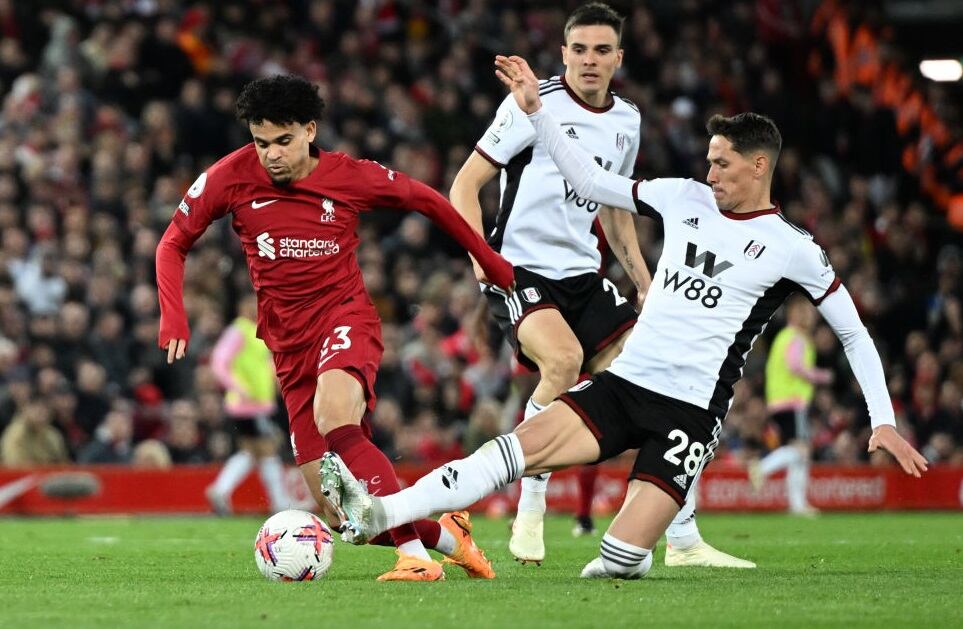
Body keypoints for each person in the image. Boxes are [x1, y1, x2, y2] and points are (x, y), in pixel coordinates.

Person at [320, 55, 929, 580]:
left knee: (616, 561)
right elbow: (588, 177)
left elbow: (852, 329)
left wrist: (882, 420)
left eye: (721, 163)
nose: (708, 171)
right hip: (624, 383)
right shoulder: (682, 196)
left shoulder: (793, 247)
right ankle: (382, 513)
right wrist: (538, 111)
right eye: (709, 160)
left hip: (690, 412)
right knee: (510, 449)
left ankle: (641, 547)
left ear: (759, 166)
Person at [156, 74, 514, 581]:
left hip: (344, 318)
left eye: (284, 141)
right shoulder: (229, 177)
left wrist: (489, 259)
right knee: (343, 514)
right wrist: (174, 312)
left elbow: (430, 201)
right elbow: (172, 243)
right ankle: (452, 537)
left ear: (310, 129)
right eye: (261, 143)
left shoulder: (351, 176)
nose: (272, 155)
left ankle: (414, 557)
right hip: (286, 344)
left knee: (336, 418)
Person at [450, 1, 748, 568]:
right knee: (561, 361)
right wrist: (479, 257)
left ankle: (681, 538)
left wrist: (641, 279)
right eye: (579, 49)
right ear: (563, 54)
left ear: (619, 58)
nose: (589, 61)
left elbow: (615, 209)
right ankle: (530, 505)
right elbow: (465, 185)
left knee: (660, 388)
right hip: (520, 269)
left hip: (584, 277)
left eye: (601, 50)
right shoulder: (530, 103)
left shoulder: (626, 121)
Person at [205, 293, 290, 515]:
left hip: (258, 404)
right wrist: (238, 387)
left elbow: (261, 366)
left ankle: (221, 489)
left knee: (253, 452)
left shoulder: (256, 332)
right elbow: (218, 362)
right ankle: (280, 502)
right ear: (243, 306)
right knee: (268, 449)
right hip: (248, 405)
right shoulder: (239, 330)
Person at [749, 296, 833, 515]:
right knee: (801, 450)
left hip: (778, 400)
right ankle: (762, 467)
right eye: (807, 313)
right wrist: (821, 376)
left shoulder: (782, 337)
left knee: (801, 452)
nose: (811, 317)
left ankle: (797, 505)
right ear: (796, 314)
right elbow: (795, 366)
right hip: (793, 400)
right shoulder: (796, 338)